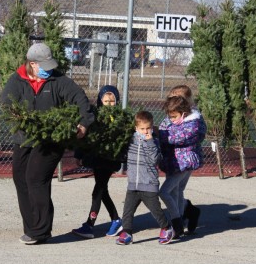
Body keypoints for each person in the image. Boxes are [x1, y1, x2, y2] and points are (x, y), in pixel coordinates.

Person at [1, 43, 95, 245]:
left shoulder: (58, 80)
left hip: (51, 139)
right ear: (32, 64)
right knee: (20, 178)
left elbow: (79, 98)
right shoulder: (17, 80)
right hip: (24, 138)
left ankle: (41, 231)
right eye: (43, 65)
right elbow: (6, 104)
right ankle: (32, 227)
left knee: (35, 177)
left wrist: (84, 123)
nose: (48, 69)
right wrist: (19, 118)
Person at [71, 85, 123, 239]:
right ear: (101, 101)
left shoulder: (118, 118)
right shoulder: (95, 116)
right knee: (102, 190)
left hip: (108, 159)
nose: (109, 104)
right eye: (106, 101)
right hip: (97, 158)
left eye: (112, 101)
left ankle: (90, 225)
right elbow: (86, 137)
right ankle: (115, 220)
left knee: (98, 191)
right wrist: (78, 155)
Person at [115, 110, 174, 245]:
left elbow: (154, 160)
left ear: (152, 127)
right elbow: (121, 153)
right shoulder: (130, 140)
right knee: (127, 211)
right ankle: (127, 232)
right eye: (142, 129)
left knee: (156, 211)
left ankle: (167, 228)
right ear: (136, 128)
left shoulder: (154, 142)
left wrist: (149, 142)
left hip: (148, 184)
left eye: (148, 128)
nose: (145, 131)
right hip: (133, 184)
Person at [158, 94, 206, 238]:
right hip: (174, 162)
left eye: (174, 117)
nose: (171, 120)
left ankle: (176, 221)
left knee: (164, 192)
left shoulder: (193, 123)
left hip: (184, 163)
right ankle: (179, 225)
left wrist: (164, 134)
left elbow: (178, 137)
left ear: (183, 113)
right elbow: (163, 127)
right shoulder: (174, 122)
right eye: (170, 117)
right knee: (177, 191)